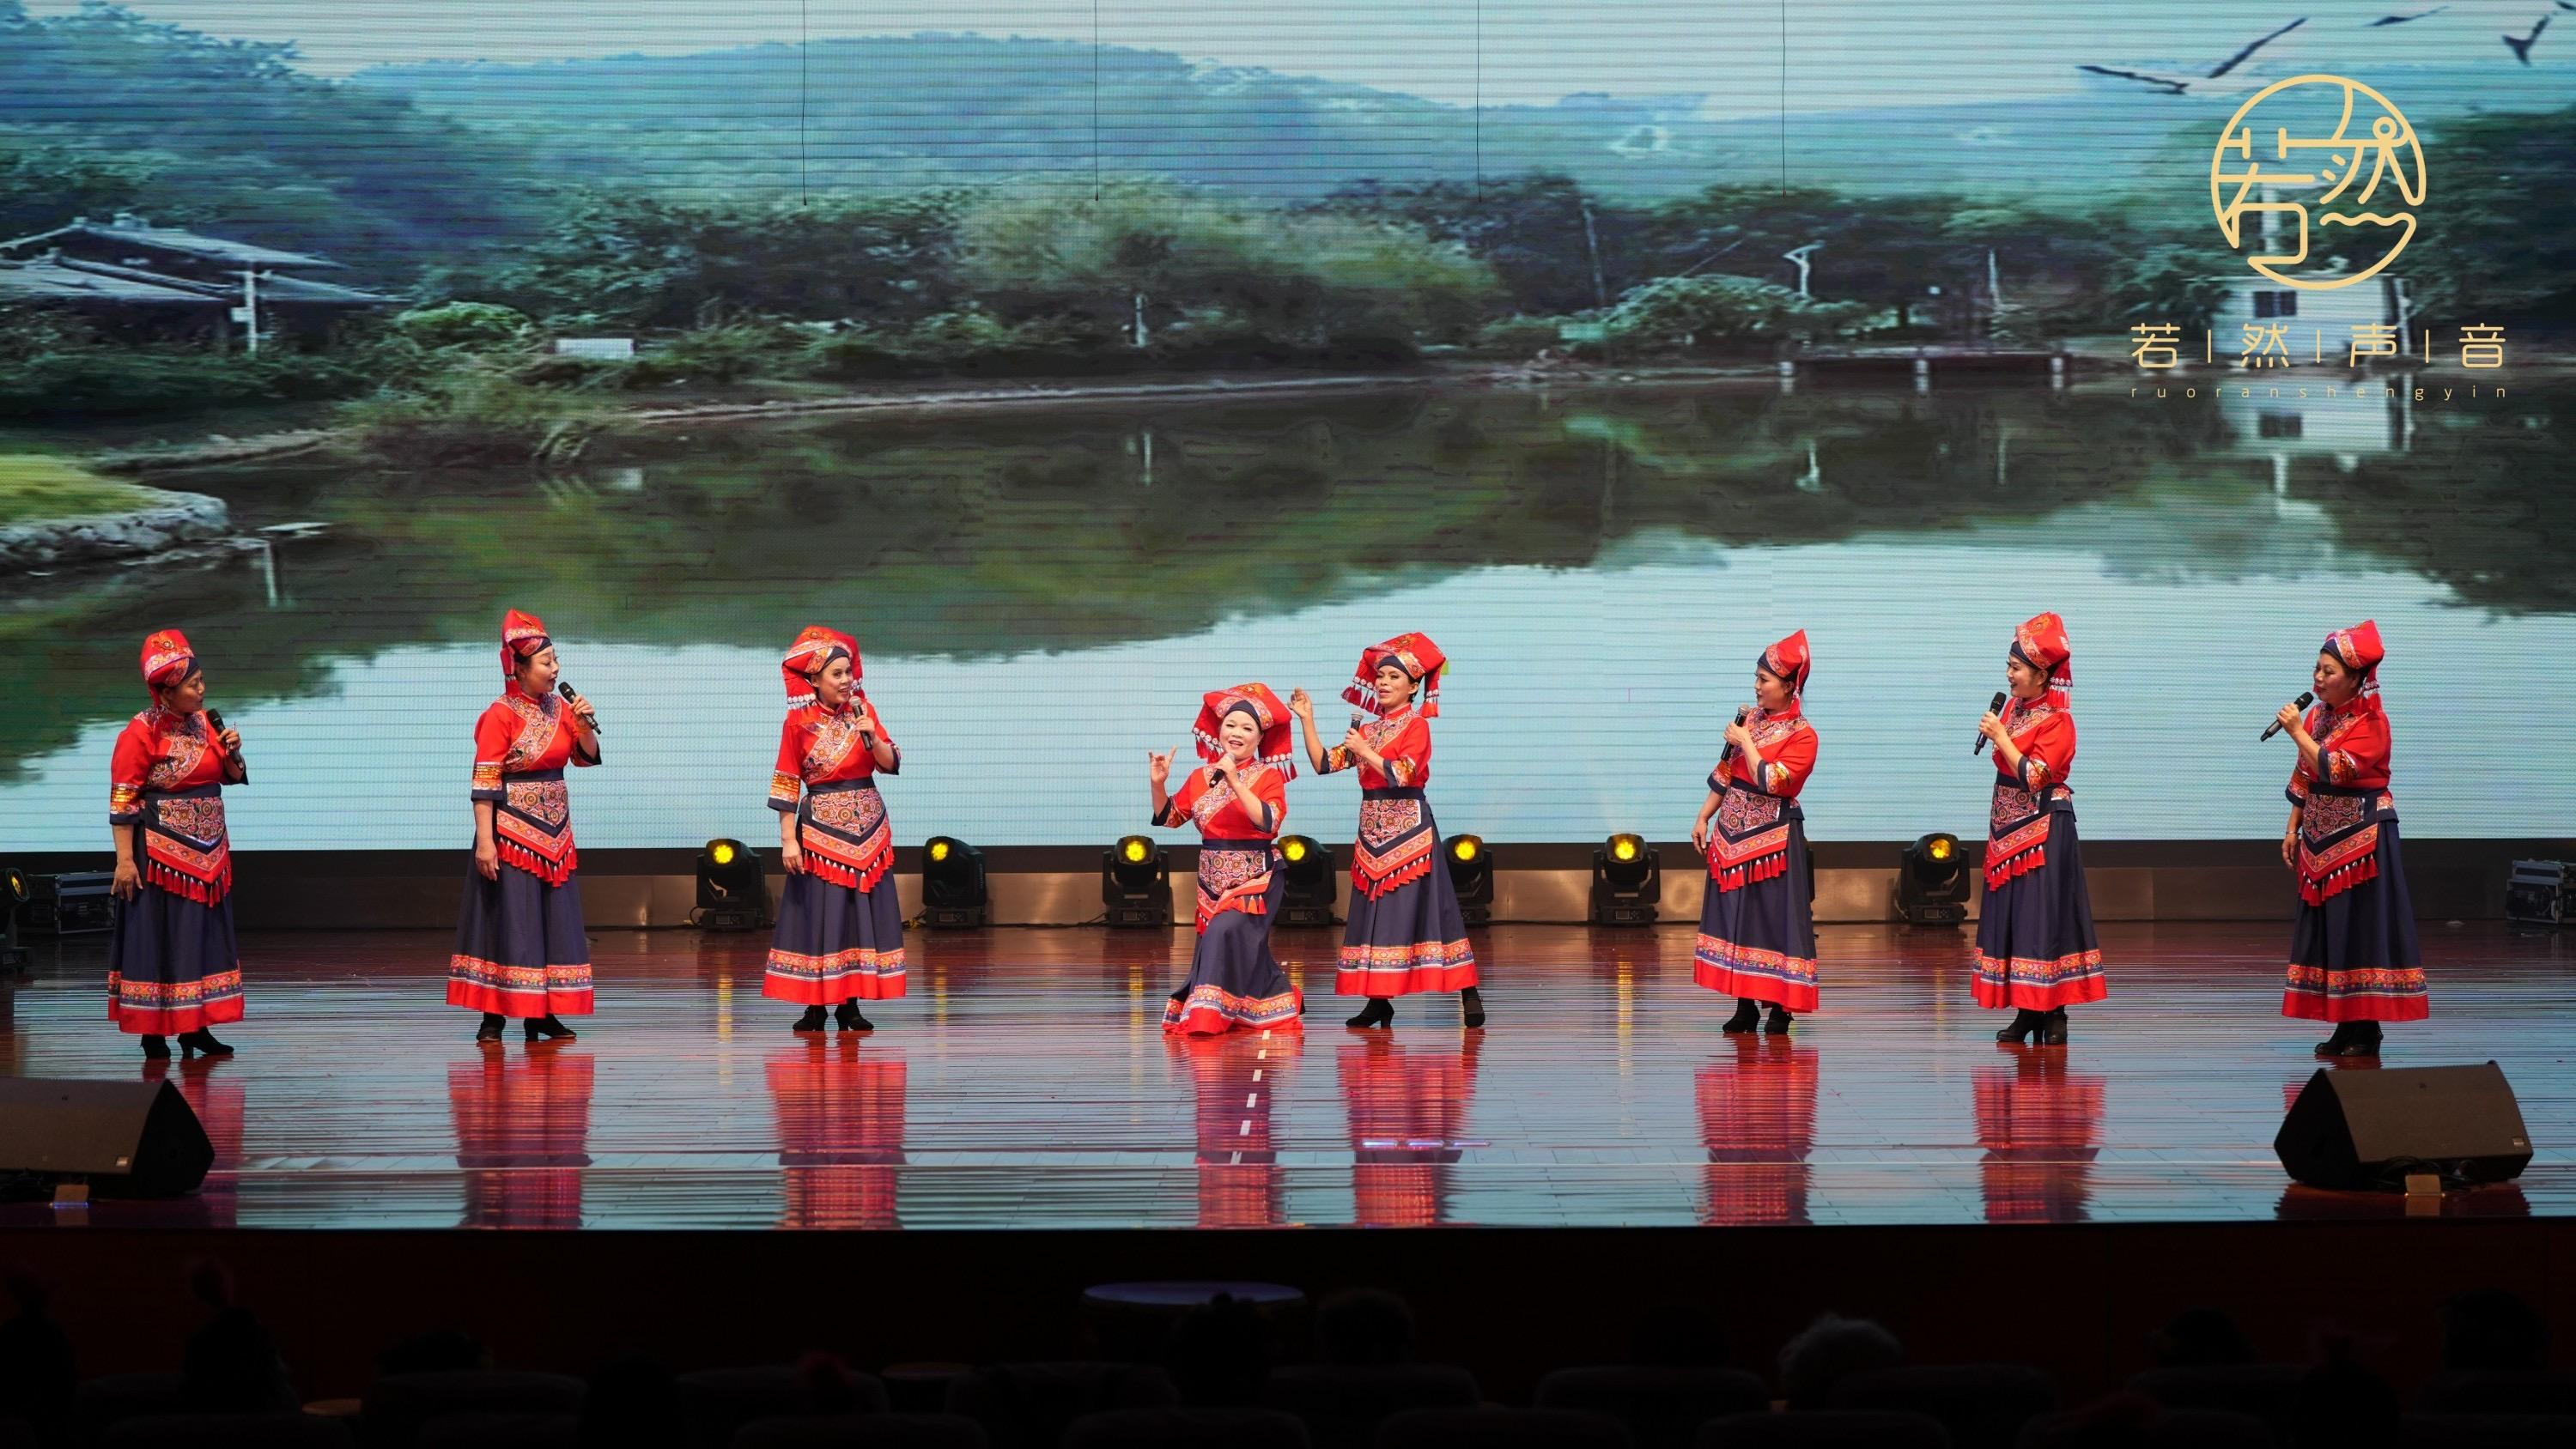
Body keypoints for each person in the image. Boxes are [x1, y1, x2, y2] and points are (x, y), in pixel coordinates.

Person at [1290, 632, 1482, 1029]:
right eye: (1380, 676)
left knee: (1435, 910)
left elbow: (1404, 772)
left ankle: (1468, 992)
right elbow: (1324, 764)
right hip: (1372, 831)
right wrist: (1307, 719)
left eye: (1394, 677)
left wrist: (1365, 752)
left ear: (1413, 687)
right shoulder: (1369, 730)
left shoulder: (1417, 726)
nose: (1383, 682)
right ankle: (1378, 1000)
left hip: (1410, 829)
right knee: (1374, 913)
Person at [447, 609, 598, 1045]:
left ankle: (542, 1014)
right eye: (547, 662)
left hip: (556, 835)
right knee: (509, 921)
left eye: (556, 661)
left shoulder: (560, 708)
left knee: (551, 922)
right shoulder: (500, 714)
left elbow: (586, 757)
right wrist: (486, 842)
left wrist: (585, 726)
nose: (556, 669)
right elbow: (484, 783)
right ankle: (493, 1017)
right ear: (520, 667)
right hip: (511, 833)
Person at [2276, 621, 2426, 1055]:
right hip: (2320, 837)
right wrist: (2291, 828)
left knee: (2361, 927)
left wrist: (2297, 733)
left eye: (2329, 671)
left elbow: (2335, 768)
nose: (2318, 678)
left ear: (2357, 678)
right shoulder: (2318, 716)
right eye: (2317, 669)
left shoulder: (2372, 721)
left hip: (2363, 840)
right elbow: (2305, 775)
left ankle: (2367, 1028)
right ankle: (2345, 1025)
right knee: (2332, 930)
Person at [105, 628, 246, 1058]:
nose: (202, 690)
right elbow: (124, 798)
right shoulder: (140, 731)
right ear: (166, 691)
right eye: (193, 684)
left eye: (201, 681)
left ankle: (195, 1027)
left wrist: (233, 752)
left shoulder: (205, 724)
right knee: (162, 937)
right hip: (160, 855)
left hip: (209, 853)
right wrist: (125, 860)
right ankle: (154, 1032)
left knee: (202, 938)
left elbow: (230, 777)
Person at [763, 626, 905, 1032]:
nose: (846, 681)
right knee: (820, 917)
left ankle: (850, 1004)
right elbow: (787, 781)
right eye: (836, 674)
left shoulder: (865, 711)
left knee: (859, 918)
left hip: (869, 829)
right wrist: (788, 840)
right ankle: (815, 1006)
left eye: (848, 673)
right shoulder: (798, 722)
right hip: (821, 833)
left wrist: (873, 736)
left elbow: (890, 763)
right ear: (814, 680)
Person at [1975, 611, 2106, 1045]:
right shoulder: (2015, 710)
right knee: (2018, 917)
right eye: (2009, 667)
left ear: (2042, 674)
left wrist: (2001, 737)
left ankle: (2054, 1012)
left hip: (2044, 829)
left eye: (2016, 668)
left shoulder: (2058, 720)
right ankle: (2028, 1009)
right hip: (2007, 828)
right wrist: (2002, 732)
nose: (2009, 675)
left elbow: (2036, 775)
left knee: (2045, 916)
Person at [1151, 683, 1303, 1035]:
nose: (1237, 733)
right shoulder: (1200, 777)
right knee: (1226, 942)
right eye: (1231, 725)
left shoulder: (1267, 776)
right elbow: (1170, 817)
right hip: (1211, 880)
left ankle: (1208, 1016)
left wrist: (1234, 779)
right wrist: (1158, 784)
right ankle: (1257, 1003)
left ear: (1259, 738)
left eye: (1247, 728)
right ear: (1219, 731)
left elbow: (1269, 821)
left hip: (1255, 878)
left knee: (1224, 931)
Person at [1690, 629, 1820, 1034]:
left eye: (1764, 680)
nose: (1757, 687)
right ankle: (1745, 1004)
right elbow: (1725, 773)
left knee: (1774, 920)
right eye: (1757, 678)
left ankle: (1781, 1007)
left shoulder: (1803, 735)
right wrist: (1703, 817)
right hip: (1731, 835)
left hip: (1773, 840)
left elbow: (1773, 780)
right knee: (1738, 920)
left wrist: (1745, 739)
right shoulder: (1750, 721)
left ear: (1789, 685)